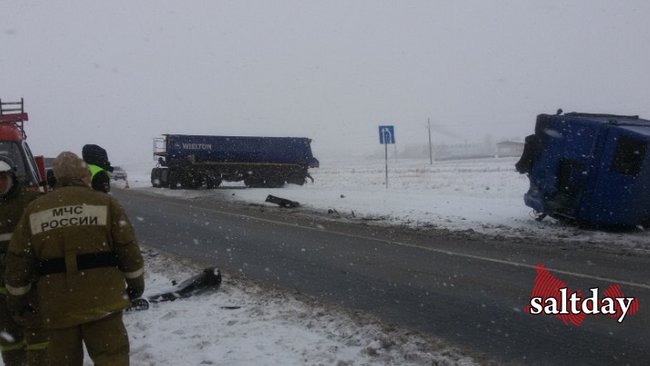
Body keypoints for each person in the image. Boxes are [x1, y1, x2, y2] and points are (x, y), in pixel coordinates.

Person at [4, 151, 145, 366]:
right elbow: (128, 249)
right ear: (83, 176)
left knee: (62, 361)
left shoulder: (35, 209)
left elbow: (19, 260)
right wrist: (135, 284)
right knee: (111, 357)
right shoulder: (106, 204)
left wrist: (18, 301)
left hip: (57, 305)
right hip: (103, 300)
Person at [0, 155, 47, 365]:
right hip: (2, 294)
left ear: (11, 177)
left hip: (32, 288)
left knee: (39, 341)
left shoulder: (31, 203)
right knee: (9, 342)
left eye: (2, 177)